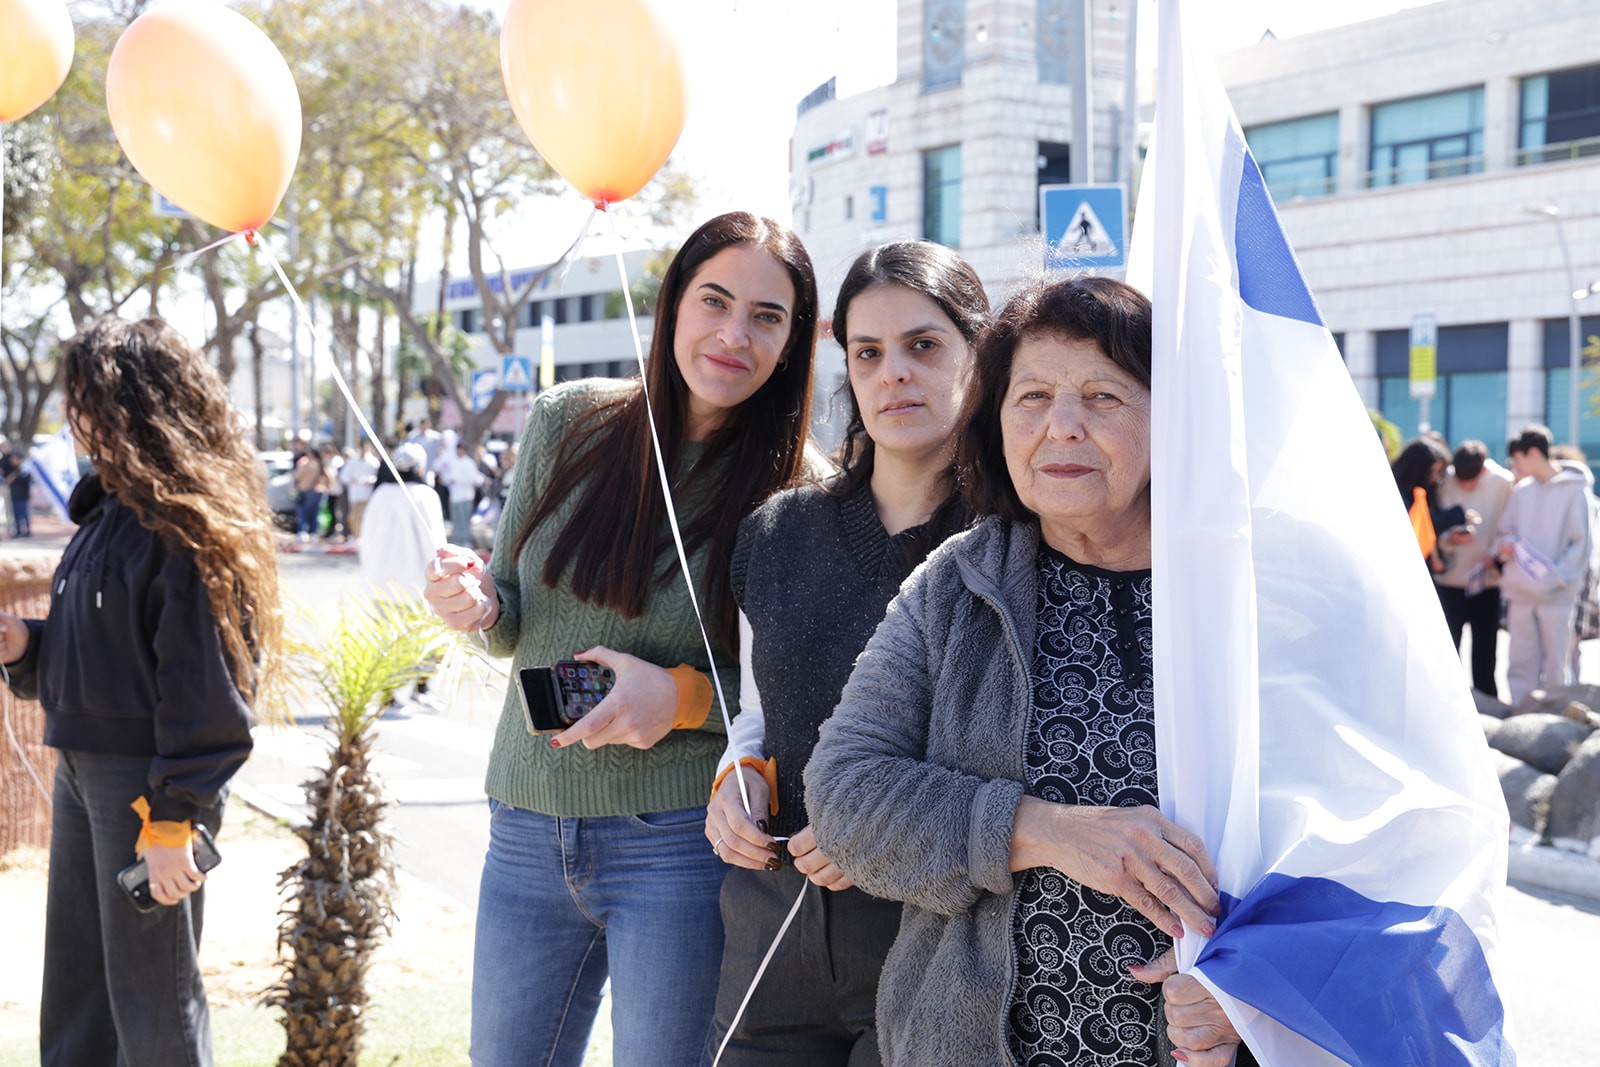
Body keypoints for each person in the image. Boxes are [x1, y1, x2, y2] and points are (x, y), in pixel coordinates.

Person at [804, 278, 1245, 1067]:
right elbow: (844, 793)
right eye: (1031, 396)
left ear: (1170, 414)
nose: (1061, 427)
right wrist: (1045, 830)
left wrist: (1256, 988)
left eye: (1103, 396)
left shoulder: (1244, 595)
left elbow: (1342, 831)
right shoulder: (958, 583)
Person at [421, 211, 825, 1067]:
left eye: (766, 317)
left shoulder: (802, 491)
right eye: (713, 300)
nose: (732, 334)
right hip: (526, 825)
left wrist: (677, 697)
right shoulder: (567, 420)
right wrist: (479, 603)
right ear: (672, 305)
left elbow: (800, 697)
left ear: (792, 342)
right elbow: (515, 612)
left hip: (679, 842)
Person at [704, 241, 990, 1064]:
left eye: (923, 346)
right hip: (771, 927)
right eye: (868, 353)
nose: (892, 372)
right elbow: (764, 709)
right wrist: (737, 777)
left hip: (930, 937)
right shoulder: (778, 530)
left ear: (978, 354)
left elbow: (1023, 744)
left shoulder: (1010, 546)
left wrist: (879, 824)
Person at [0, 316, 282, 1067]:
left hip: (146, 787)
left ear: (136, 402)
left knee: (153, 1004)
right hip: (85, 769)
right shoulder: (107, 511)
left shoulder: (185, 526)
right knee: (78, 990)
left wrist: (172, 821)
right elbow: (115, 643)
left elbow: (206, 689)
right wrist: (32, 645)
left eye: (86, 396)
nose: (74, 416)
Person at [1496, 424, 1593, 704]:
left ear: (1534, 453)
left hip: (1558, 594)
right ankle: (1519, 711)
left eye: (1518, 458)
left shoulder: (1576, 491)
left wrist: (1556, 577)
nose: (1515, 465)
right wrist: (1506, 545)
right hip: (1521, 592)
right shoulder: (1521, 490)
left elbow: (1581, 543)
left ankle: (1555, 716)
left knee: (1557, 660)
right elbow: (1505, 530)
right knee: (1520, 658)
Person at [1435, 440, 1514, 696]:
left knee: (1485, 651)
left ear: (1483, 471)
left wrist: (1495, 557)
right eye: (1460, 479)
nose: (1465, 485)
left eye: (1471, 479)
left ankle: (1488, 703)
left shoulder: (1504, 482)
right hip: (1449, 581)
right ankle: (1446, 699)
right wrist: (1449, 540)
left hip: (1487, 581)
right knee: (1446, 651)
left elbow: (1510, 527)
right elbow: (1434, 526)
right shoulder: (1444, 481)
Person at [1391, 436, 1470, 576]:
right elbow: (1418, 525)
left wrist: (1439, 561)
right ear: (1417, 469)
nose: (1435, 477)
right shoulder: (1395, 491)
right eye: (1432, 472)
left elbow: (1429, 533)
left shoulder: (1428, 491)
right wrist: (1456, 515)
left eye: (1438, 472)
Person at [441, 440, 485, 543]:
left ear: (464, 451)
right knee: (456, 520)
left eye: (461, 449)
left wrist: (456, 479)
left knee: (464, 520)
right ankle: (457, 541)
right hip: (454, 495)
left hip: (465, 495)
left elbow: (472, 478)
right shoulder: (453, 462)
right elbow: (447, 476)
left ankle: (465, 541)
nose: (458, 451)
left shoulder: (469, 463)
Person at [340, 441, 378, 539]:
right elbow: (343, 476)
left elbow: (377, 477)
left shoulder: (373, 462)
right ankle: (355, 537)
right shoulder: (353, 461)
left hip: (368, 495)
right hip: (355, 495)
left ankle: (364, 537)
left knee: (365, 517)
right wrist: (352, 480)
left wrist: (370, 480)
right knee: (353, 518)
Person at [290, 436, 325, 542]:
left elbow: (297, 476)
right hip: (317, 490)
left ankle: (304, 531)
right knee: (314, 513)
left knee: (303, 512)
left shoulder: (306, 464)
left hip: (305, 490)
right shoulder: (320, 465)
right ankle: (314, 532)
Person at [2, 438, 33, 537]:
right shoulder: (10, 468)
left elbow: (26, 480)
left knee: (24, 513)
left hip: (23, 495)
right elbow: (7, 480)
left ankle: (27, 531)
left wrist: (16, 474)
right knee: (16, 513)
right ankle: (18, 531)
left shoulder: (25, 469)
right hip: (14, 494)